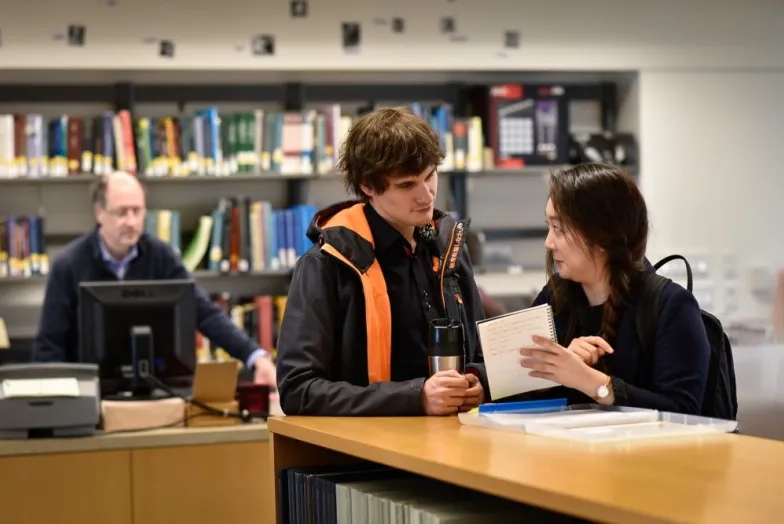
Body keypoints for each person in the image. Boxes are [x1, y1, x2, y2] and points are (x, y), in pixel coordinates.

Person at [276, 106, 488, 416]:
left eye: (430, 176)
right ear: (367, 186)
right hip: (369, 455)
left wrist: (480, 381)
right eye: (406, 185)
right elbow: (298, 390)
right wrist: (416, 397)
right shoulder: (325, 264)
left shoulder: (450, 248)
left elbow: (481, 354)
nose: (427, 197)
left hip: (456, 441)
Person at [31, 171, 276, 386]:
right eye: (121, 212)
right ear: (99, 213)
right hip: (91, 392)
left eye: (137, 211)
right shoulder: (69, 264)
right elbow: (49, 346)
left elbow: (204, 312)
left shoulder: (161, 256)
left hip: (159, 384)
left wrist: (255, 357)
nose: (131, 221)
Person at [518, 163, 711, 415]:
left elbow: (684, 411)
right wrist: (551, 372)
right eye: (549, 227)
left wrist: (587, 379)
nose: (549, 242)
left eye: (559, 229)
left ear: (601, 237)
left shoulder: (670, 305)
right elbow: (511, 390)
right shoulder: (556, 298)